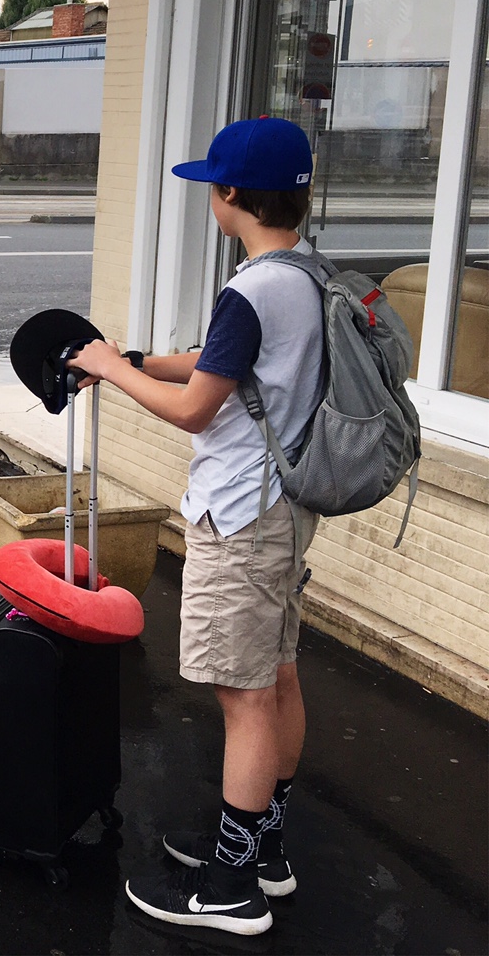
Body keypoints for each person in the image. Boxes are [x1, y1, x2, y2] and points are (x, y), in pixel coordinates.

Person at [68, 117, 322, 936]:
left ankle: (229, 889)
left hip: (241, 515)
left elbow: (195, 407)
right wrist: (136, 356)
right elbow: (220, 363)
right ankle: (263, 853)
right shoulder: (309, 277)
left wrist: (108, 368)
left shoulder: (252, 289)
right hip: (286, 510)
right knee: (277, 677)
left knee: (243, 696)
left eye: (213, 183)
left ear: (231, 197)